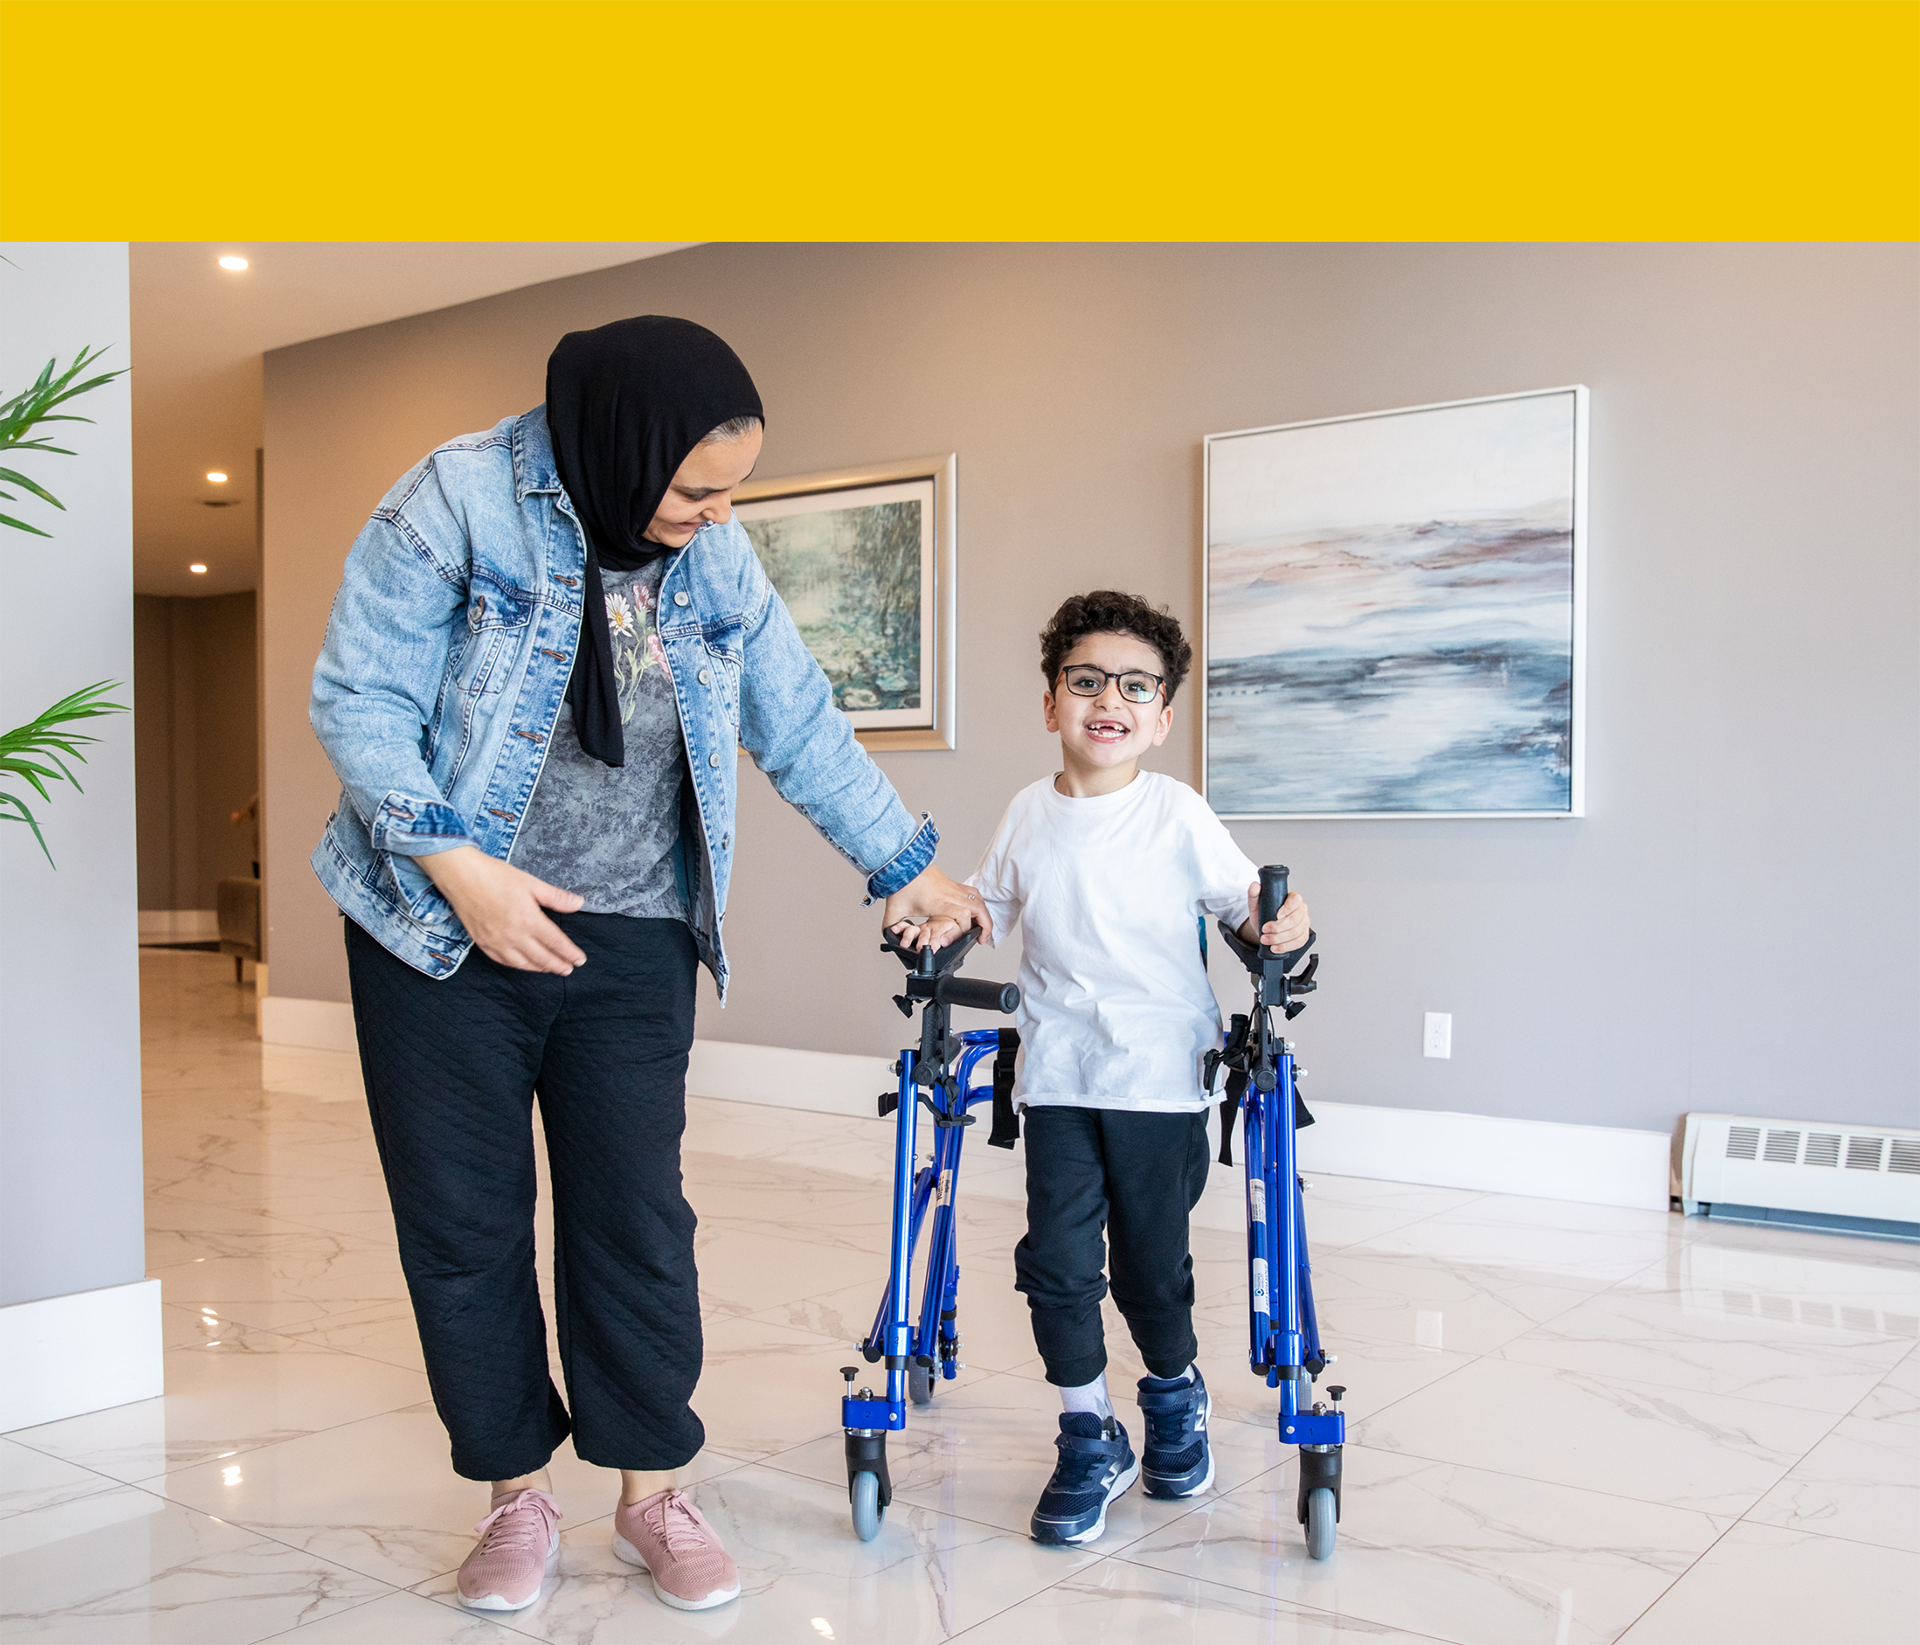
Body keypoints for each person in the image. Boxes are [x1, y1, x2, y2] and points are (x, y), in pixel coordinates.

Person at [309, 316, 985, 1613]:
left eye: (730, 489)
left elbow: (794, 715)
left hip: (630, 931)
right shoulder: (455, 501)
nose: (716, 514)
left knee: (635, 1217)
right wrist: (462, 867)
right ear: (614, 447)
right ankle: (515, 1496)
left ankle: (650, 1487)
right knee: (465, 1221)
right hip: (437, 924)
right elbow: (360, 702)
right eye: (696, 489)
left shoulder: (712, 554)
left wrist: (904, 861)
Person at [899, 590, 1309, 1546]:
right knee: (1057, 1263)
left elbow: (1246, 905)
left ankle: (1173, 1392)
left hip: (1162, 1079)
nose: (1107, 700)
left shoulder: (1177, 812)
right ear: (1052, 702)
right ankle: (1089, 1427)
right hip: (1058, 1078)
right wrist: (932, 916)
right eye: (1086, 681)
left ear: (1162, 716)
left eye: (1135, 685)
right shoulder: (1027, 813)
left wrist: (1281, 922)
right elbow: (985, 903)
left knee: (1151, 1270)